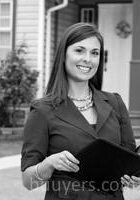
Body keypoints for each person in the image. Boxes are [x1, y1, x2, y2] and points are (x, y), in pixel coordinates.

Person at [21, 22, 140, 200]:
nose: (88, 59)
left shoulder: (115, 103)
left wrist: (133, 177)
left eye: (94, 53)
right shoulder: (42, 111)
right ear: (63, 55)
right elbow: (28, 181)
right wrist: (50, 163)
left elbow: (129, 162)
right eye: (79, 50)